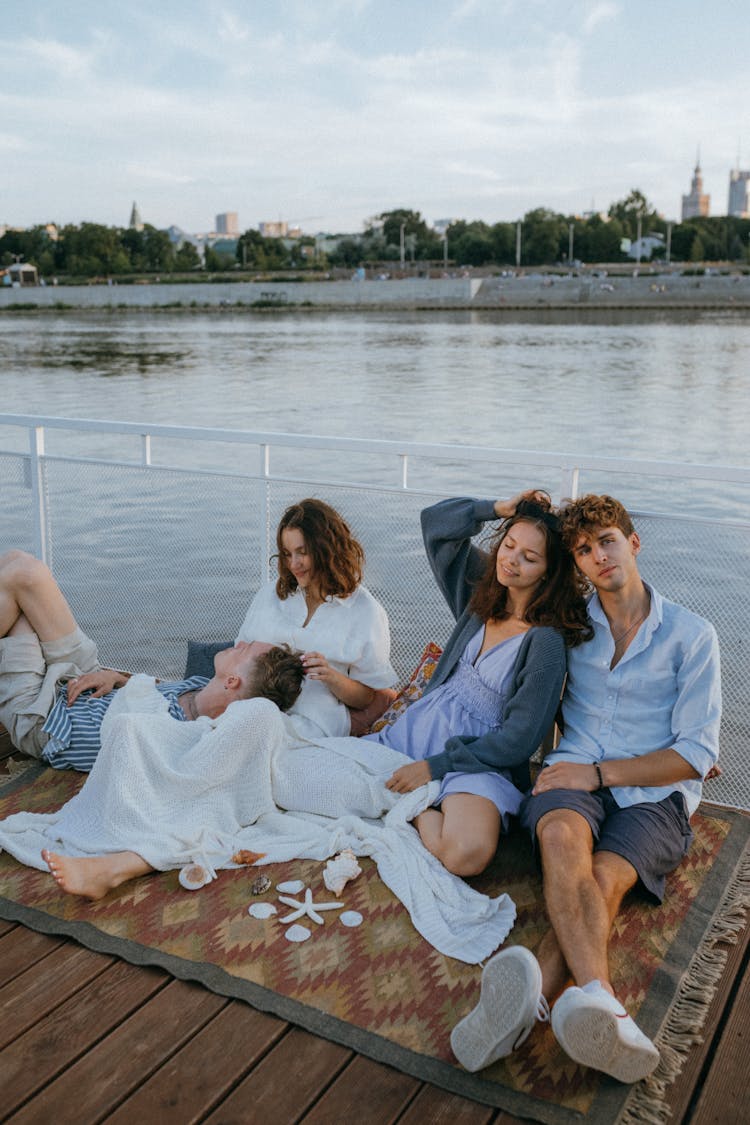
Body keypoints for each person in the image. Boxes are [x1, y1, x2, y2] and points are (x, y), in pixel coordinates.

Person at [450, 494, 721, 1084]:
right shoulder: (568, 627)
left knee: (604, 876)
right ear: (573, 565)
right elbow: (503, 599)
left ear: (633, 543)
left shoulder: (692, 636)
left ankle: (530, 1004)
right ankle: (603, 1003)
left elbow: (696, 754)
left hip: (650, 795)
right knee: (562, 843)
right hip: (570, 770)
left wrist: (603, 775)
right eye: (582, 550)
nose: (598, 556)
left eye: (607, 541)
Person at [365, 491, 592, 877]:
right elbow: (434, 525)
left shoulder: (545, 642)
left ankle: (415, 808)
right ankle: (417, 802)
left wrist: (434, 768)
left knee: (465, 855)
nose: (511, 560)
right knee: (312, 785)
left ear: (549, 571)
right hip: (417, 733)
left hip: (478, 761)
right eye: (509, 545)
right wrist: (498, 509)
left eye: (529, 557)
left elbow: (521, 740)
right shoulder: (482, 595)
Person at [0, 549, 305, 772]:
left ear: (233, 681)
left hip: (45, 717)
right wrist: (117, 678)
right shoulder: (200, 686)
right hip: (86, 676)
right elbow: (151, 689)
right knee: (24, 569)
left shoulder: (187, 739)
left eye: (244, 649)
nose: (239, 643)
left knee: (16, 603)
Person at [236, 498, 397, 739]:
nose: (293, 564)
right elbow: (238, 653)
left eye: (303, 552)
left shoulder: (366, 612)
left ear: (326, 549)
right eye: (287, 554)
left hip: (312, 723)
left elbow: (367, 697)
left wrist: (332, 677)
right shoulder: (270, 595)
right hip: (252, 707)